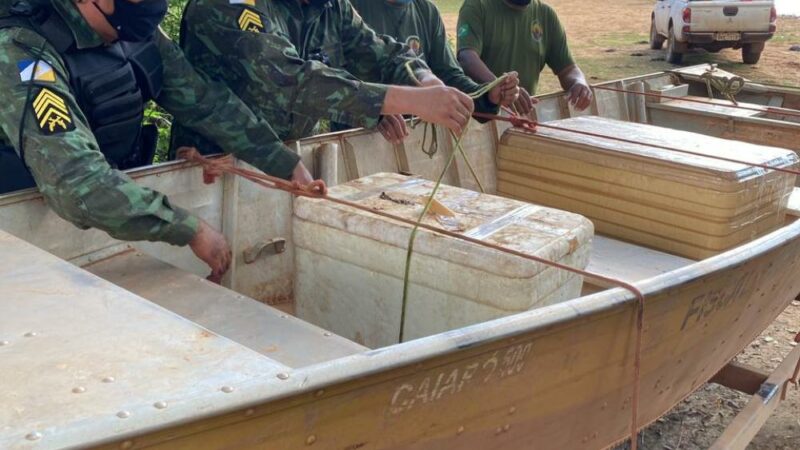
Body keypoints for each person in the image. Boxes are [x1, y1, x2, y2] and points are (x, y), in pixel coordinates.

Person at [0, 0, 321, 282]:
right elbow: (76, 183)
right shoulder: (21, 48)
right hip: (20, 233)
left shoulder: (129, 25)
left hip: (104, 223)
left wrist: (283, 162)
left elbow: (202, 101)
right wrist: (187, 227)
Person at [172, 0, 476, 151]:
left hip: (291, 161)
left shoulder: (330, 5)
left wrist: (425, 80)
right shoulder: (229, 4)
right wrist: (409, 101)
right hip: (211, 168)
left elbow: (379, 50)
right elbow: (291, 81)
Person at [344, 0, 520, 140]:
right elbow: (331, 79)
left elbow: (448, 75)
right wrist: (373, 110)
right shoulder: (349, 8)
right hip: (358, 141)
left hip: (412, 141)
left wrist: (486, 95)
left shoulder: (426, 12)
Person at [456, 0, 593, 115]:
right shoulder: (477, 6)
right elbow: (467, 57)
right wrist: (504, 88)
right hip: (480, 115)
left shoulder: (546, 15)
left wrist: (579, 82)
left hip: (521, 116)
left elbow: (567, 69)